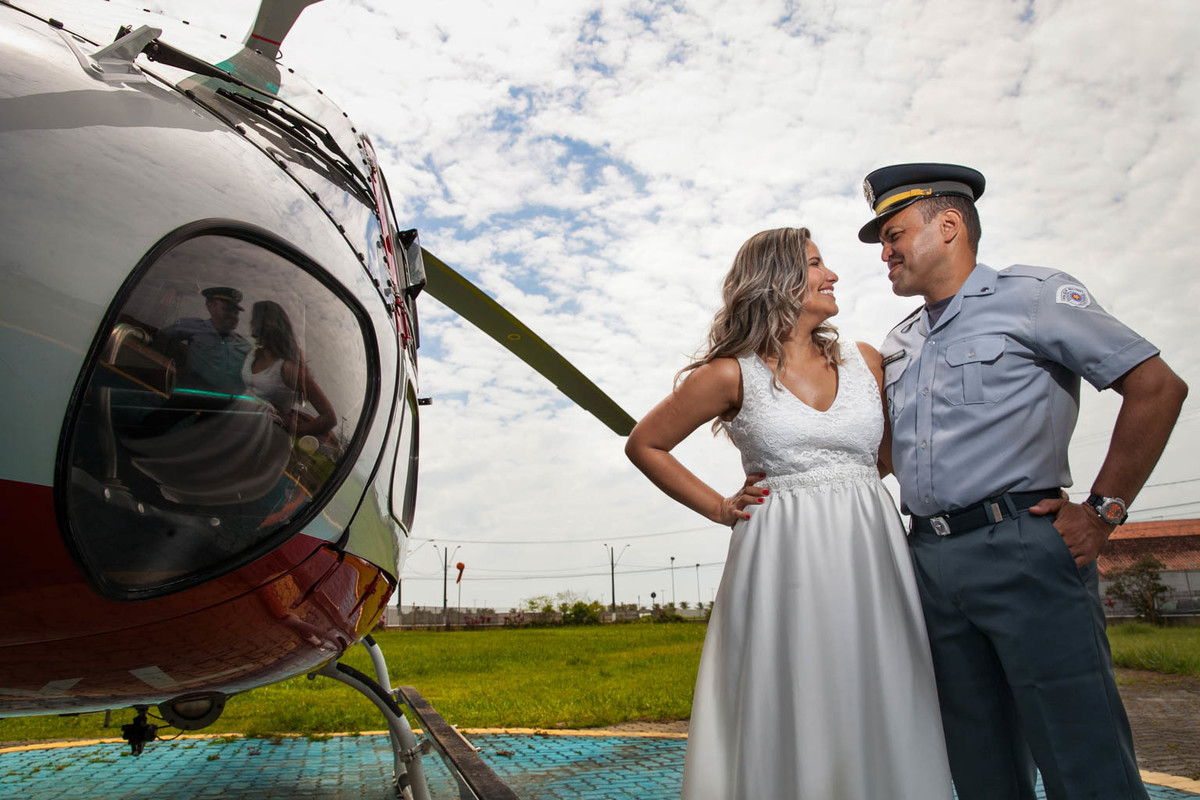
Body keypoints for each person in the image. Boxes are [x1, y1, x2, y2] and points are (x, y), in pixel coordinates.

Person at [860, 162, 1188, 800]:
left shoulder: (1034, 296)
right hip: (927, 559)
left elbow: (1156, 388)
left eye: (894, 234)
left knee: (1079, 754)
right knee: (978, 760)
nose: (887, 253)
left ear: (948, 225)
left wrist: (1102, 511)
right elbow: (887, 454)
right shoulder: (899, 341)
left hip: (1023, 547)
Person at [625, 227, 953, 799]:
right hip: (779, 554)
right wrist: (722, 508)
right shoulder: (731, 373)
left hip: (869, 546)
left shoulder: (867, 361)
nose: (832, 275)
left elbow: (885, 456)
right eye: (817, 264)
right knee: (794, 688)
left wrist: (844, 495)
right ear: (778, 279)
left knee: (881, 681)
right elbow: (645, 444)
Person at [243, 300, 337, 438]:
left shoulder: (288, 369)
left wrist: (294, 430)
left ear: (266, 324)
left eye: (254, 320)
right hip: (241, 426)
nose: (250, 324)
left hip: (265, 438)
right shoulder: (253, 354)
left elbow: (330, 418)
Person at [157, 286, 252, 394]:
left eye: (236, 313)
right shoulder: (193, 327)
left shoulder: (244, 345)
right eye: (227, 309)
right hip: (191, 397)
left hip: (228, 405)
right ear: (210, 305)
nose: (232, 316)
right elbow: (159, 338)